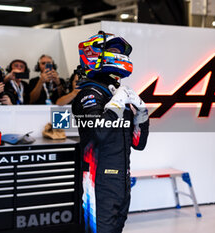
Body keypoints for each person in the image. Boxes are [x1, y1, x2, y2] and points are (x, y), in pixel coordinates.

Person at [72, 31, 149, 233]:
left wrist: (142, 114)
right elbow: (99, 133)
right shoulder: (90, 94)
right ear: (95, 53)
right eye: (113, 50)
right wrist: (116, 103)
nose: (119, 55)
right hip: (99, 181)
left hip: (122, 180)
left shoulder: (117, 95)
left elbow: (139, 144)